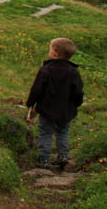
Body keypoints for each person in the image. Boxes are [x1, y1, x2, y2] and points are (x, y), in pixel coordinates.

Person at [26, 37, 84, 169]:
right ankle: (63, 156)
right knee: (63, 131)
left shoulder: (46, 69)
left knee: (45, 132)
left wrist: (31, 103)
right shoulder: (73, 71)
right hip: (66, 110)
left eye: (50, 48)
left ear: (55, 53)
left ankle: (44, 159)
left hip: (47, 109)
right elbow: (78, 91)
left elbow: (37, 89)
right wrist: (77, 103)